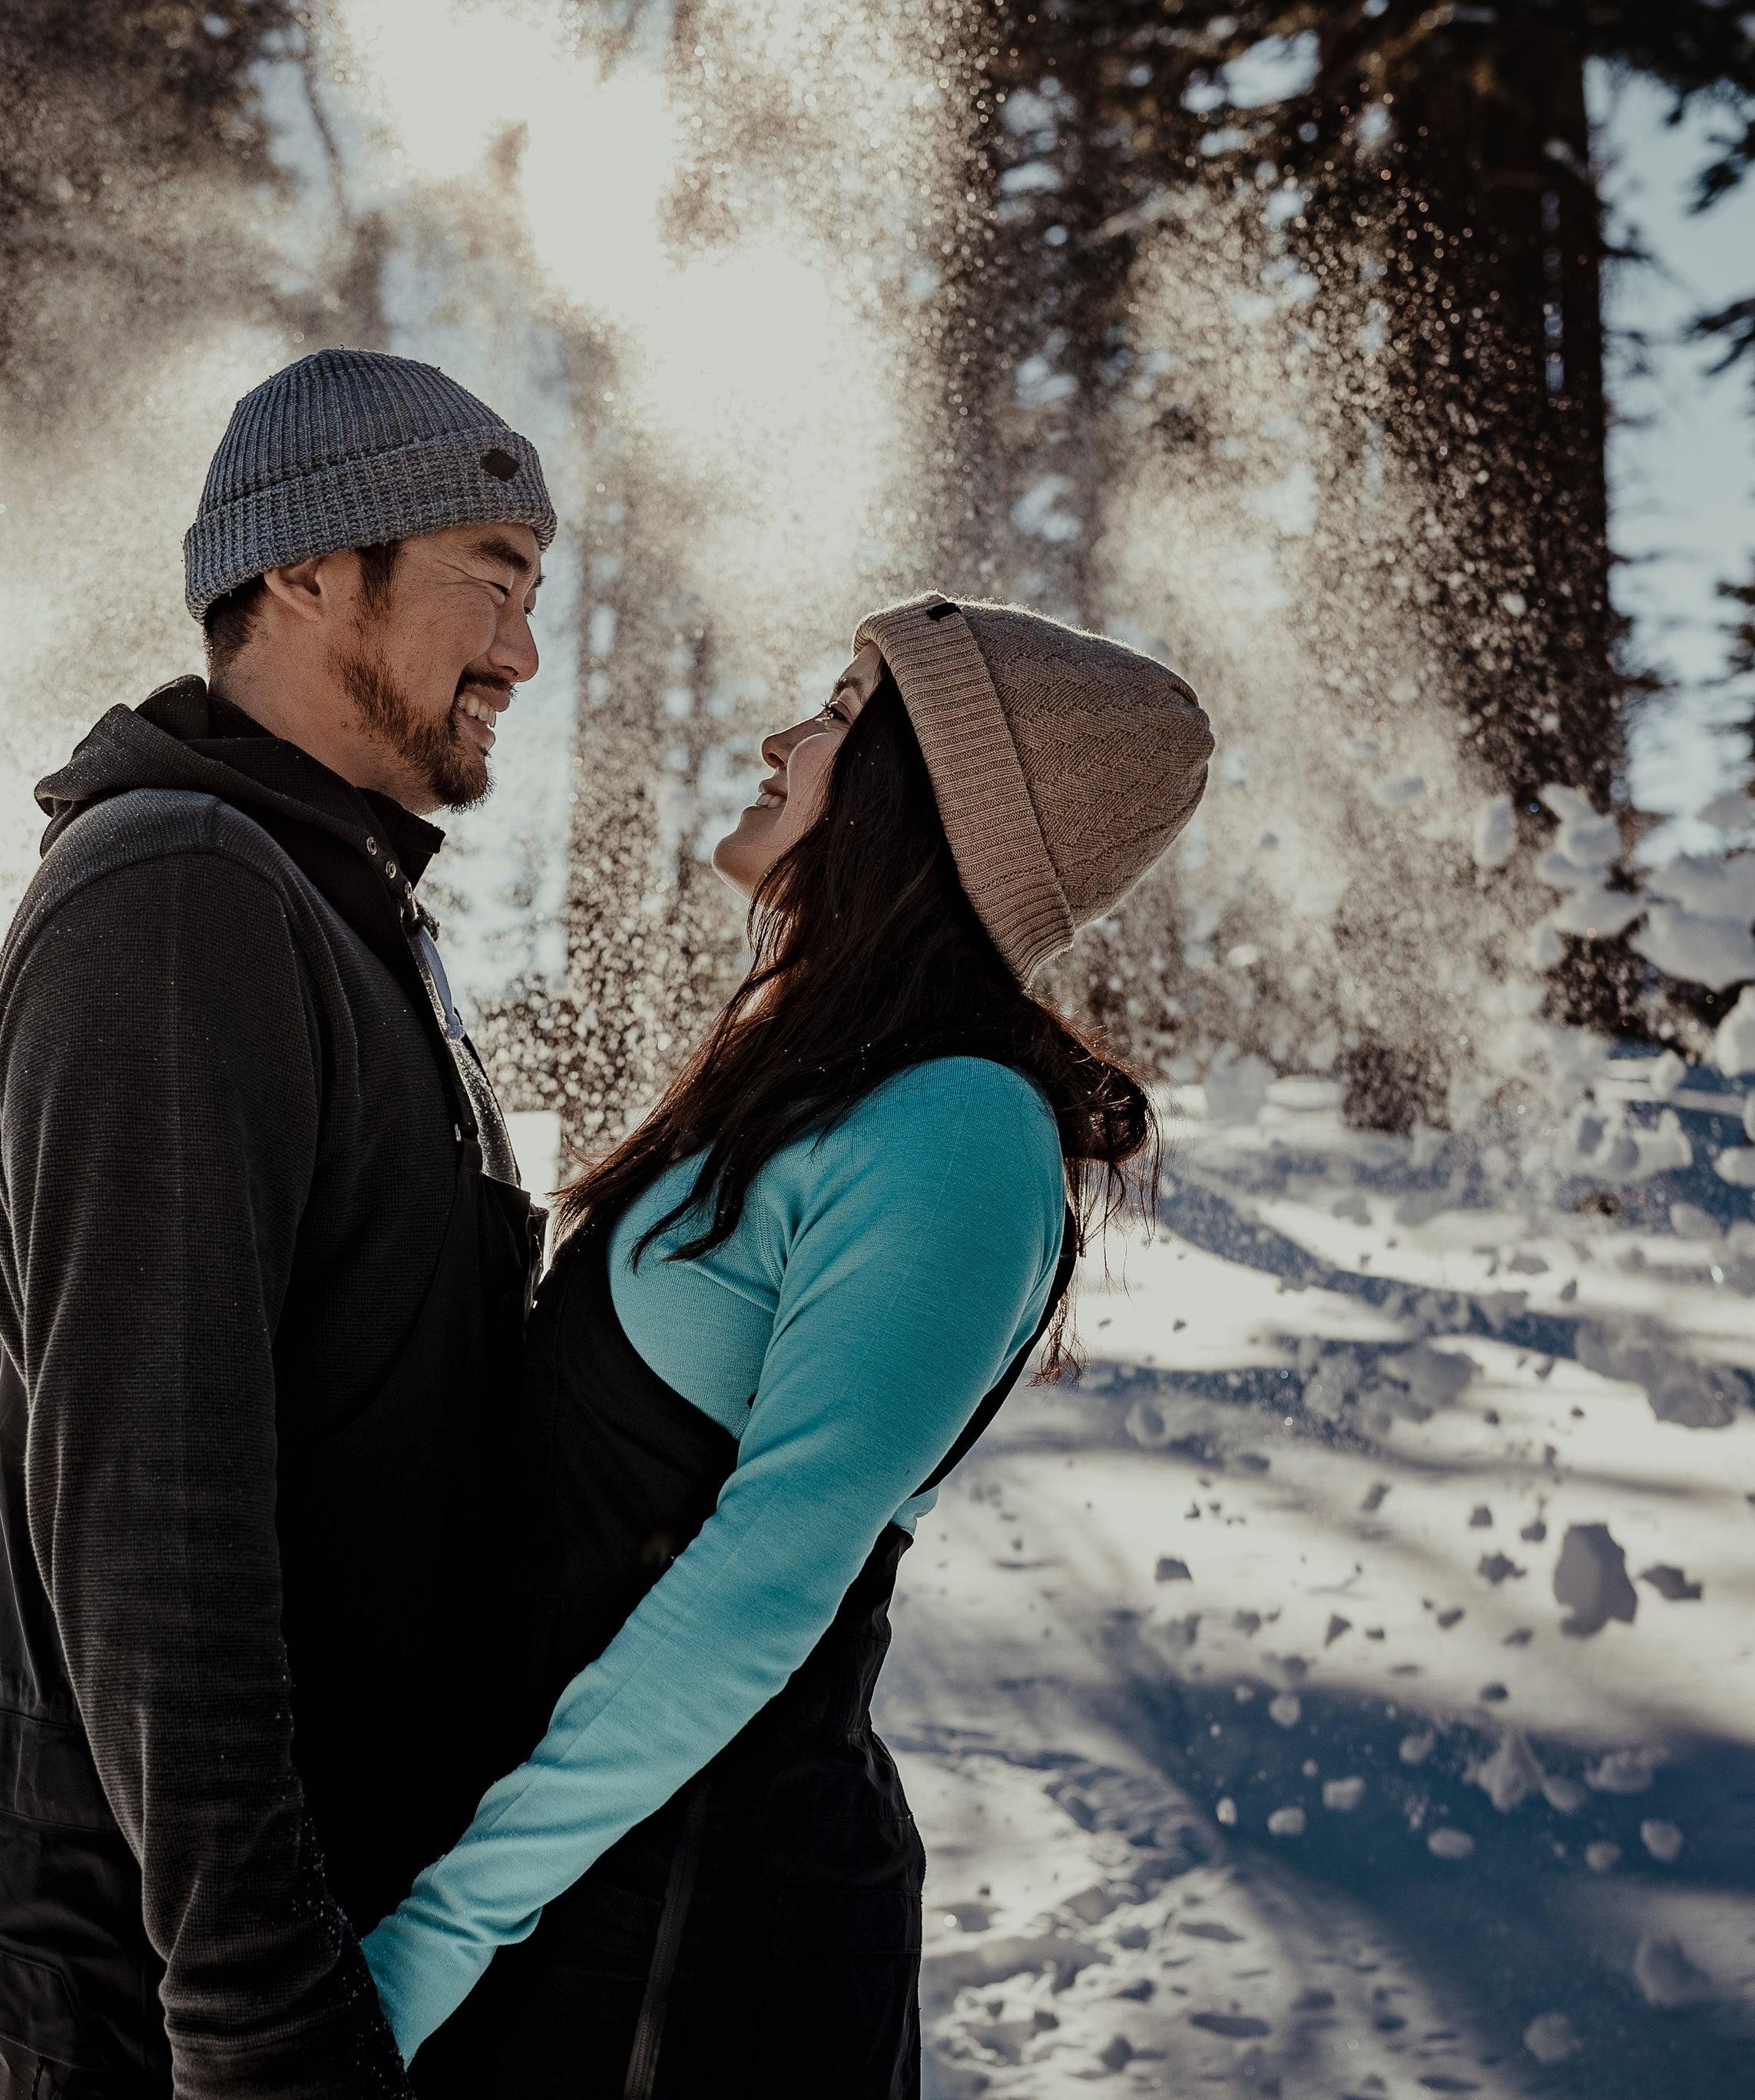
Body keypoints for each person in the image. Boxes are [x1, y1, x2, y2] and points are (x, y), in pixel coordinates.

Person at [363, 594, 1214, 2098]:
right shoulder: (814, 1075)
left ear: (926, 792)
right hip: (573, 1908)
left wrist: (429, 1939)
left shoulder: (956, 1129)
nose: (779, 736)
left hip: (689, 1967)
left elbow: (758, 1590)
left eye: (834, 711)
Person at [0, 349, 559, 2098]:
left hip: (320, 1945)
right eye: (490, 580)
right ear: (306, 570)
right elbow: (154, 1521)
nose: (520, 651)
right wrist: (261, 2017)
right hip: (171, 2005)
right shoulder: (179, 898)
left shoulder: (328, 905)